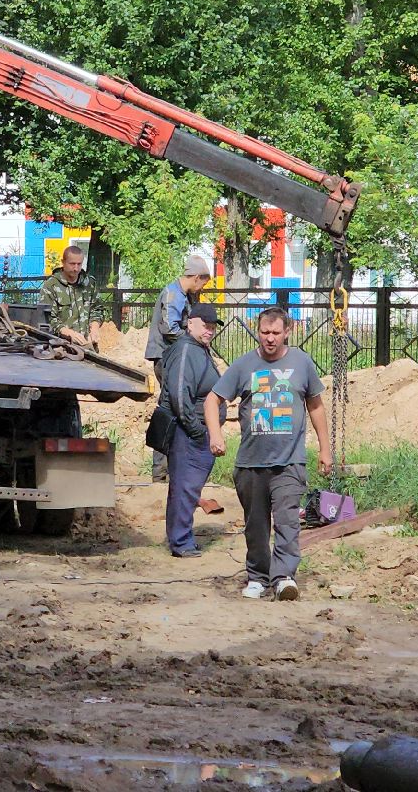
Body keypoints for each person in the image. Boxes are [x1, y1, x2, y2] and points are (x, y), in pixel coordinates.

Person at [206, 306, 330, 601]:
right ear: (257, 331)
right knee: (256, 524)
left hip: (290, 460)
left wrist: (325, 449)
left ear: (287, 332)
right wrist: (216, 434)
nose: (270, 339)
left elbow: (316, 406)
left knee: (287, 520)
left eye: (276, 333)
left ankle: (284, 576)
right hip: (251, 462)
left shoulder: (302, 362)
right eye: (264, 332)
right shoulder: (244, 365)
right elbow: (212, 400)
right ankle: (258, 577)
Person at [160, 302, 225, 557]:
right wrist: (196, 430)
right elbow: (179, 394)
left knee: (188, 487)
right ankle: (181, 542)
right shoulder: (187, 350)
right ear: (190, 323)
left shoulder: (199, 349)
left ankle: (182, 538)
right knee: (185, 487)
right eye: (204, 325)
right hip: (188, 433)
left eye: (212, 326)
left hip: (196, 430)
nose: (209, 330)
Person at [145, 255, 214, 480]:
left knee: (174, 410)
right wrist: (192, 342)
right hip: (168, 360)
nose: (203, 287)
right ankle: (161, 473)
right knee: (171, 410)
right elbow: (170, 329)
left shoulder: (184, 296)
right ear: (195, 277)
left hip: (175, 360)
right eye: (203, 282)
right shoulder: (173, 295)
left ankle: (171, 470)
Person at [39, 244, 99, 346]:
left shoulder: (90, 283)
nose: (76, 268)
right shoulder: (51, 285)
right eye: (72, 264)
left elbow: (97, 309)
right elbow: (47, 319)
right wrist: (68, 333)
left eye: (79, 264)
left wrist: (95, 328)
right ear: (63, 263)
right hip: (62, 347)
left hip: (88, 346)